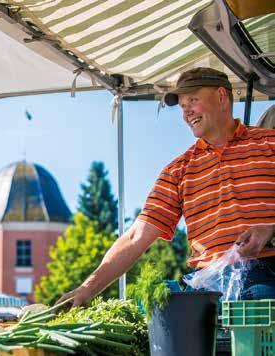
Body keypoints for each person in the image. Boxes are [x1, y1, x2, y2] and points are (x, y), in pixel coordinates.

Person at [58, 67, 275, 307]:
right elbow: (135, 237)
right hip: (209, 289)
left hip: (267, 278)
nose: (187, 112)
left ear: (222, 97)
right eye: (182, 106)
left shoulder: (269, 143)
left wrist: (271, 229)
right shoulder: (179, 170)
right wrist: (86, 289)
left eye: (193, 100)